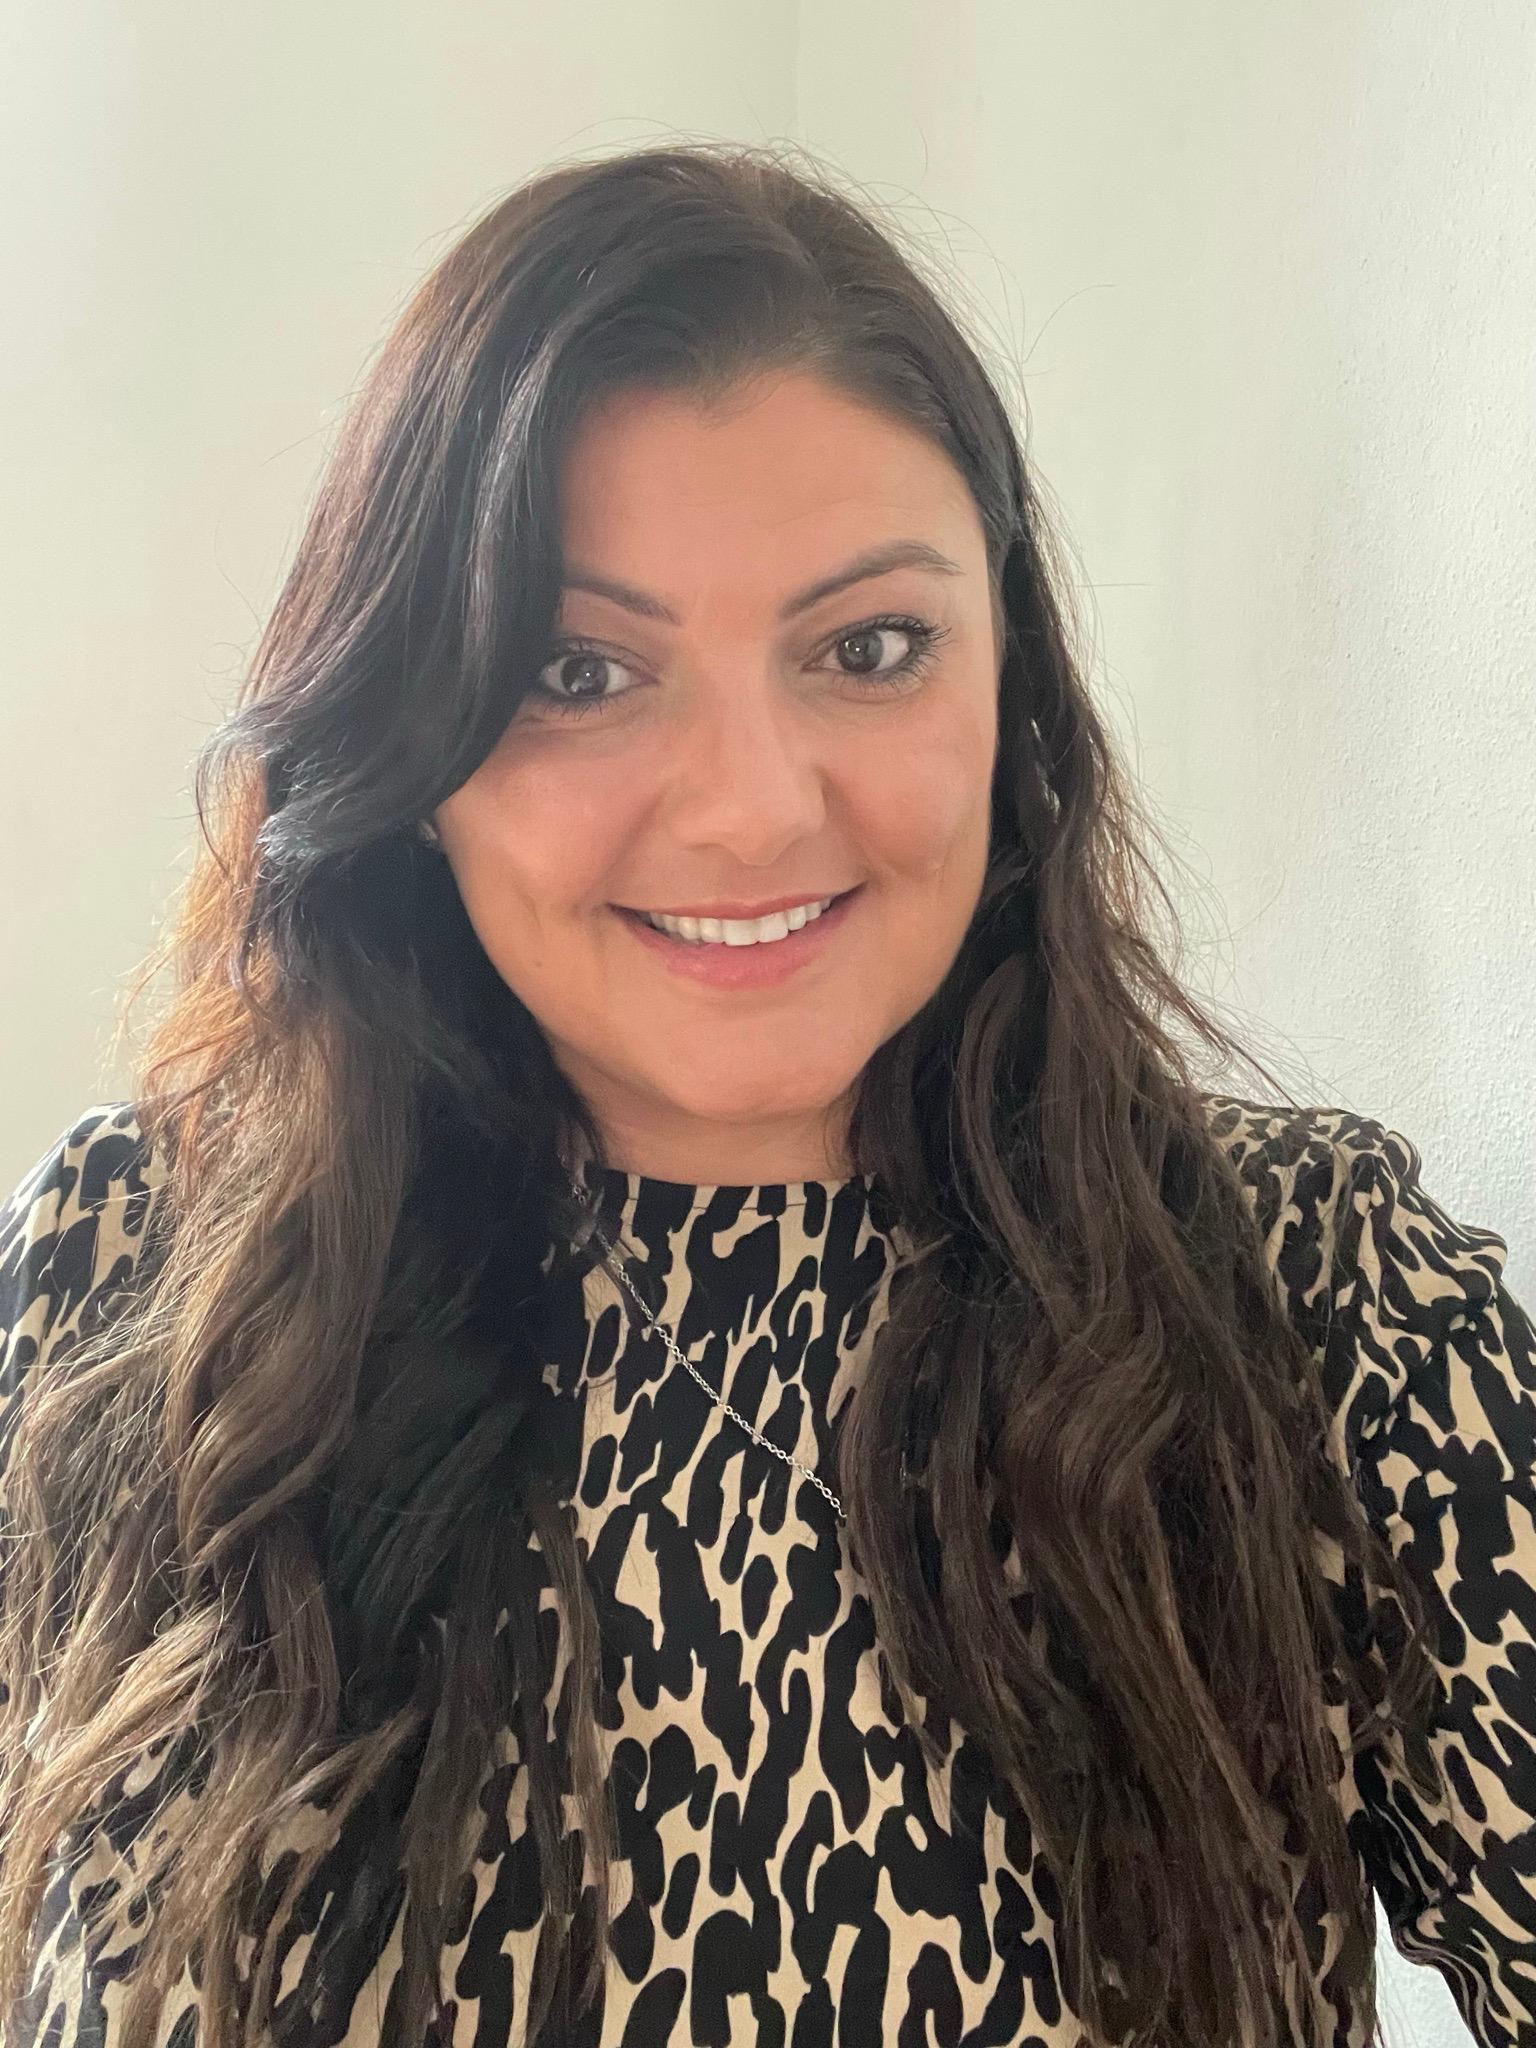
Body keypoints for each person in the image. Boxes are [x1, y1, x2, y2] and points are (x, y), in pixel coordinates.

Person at [0, 142, 1530, 2048]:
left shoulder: (1318, 1297)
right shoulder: (127, 1280)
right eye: (576, 669)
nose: (747, 808)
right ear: (412, 742)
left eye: (868, 650)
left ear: (1010, 684)